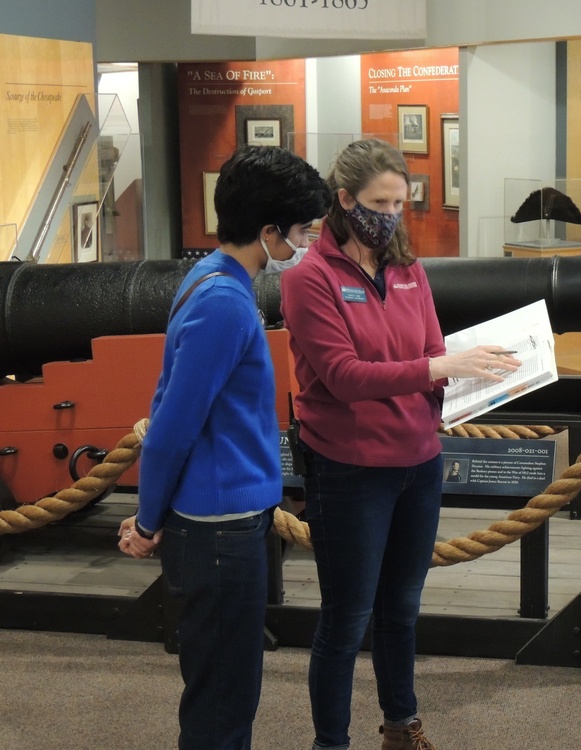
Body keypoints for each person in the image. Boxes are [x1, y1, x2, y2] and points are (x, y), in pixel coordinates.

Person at [280, 139, 520, 750]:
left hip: (418, 461)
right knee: (346, 619)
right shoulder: (310, 278)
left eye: (399, 202)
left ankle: (400, 726)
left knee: (401, 612)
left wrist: (474, 379)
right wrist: (441, 369)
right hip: (351, 469)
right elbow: (344, 377)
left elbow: (435, 351)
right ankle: (330, 743)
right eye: (378, 202)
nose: (390, 214)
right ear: (344, 201)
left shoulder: (410, 269)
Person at [117, 144, 332, 750]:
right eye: (297, 234)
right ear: (267, 231)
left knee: (225, 690)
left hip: (221, 521)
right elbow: (172, 426)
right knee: (223, 701)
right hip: (218, 529)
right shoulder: (225, 304)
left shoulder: (209, 278)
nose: (302, 247)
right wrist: (148, 518)